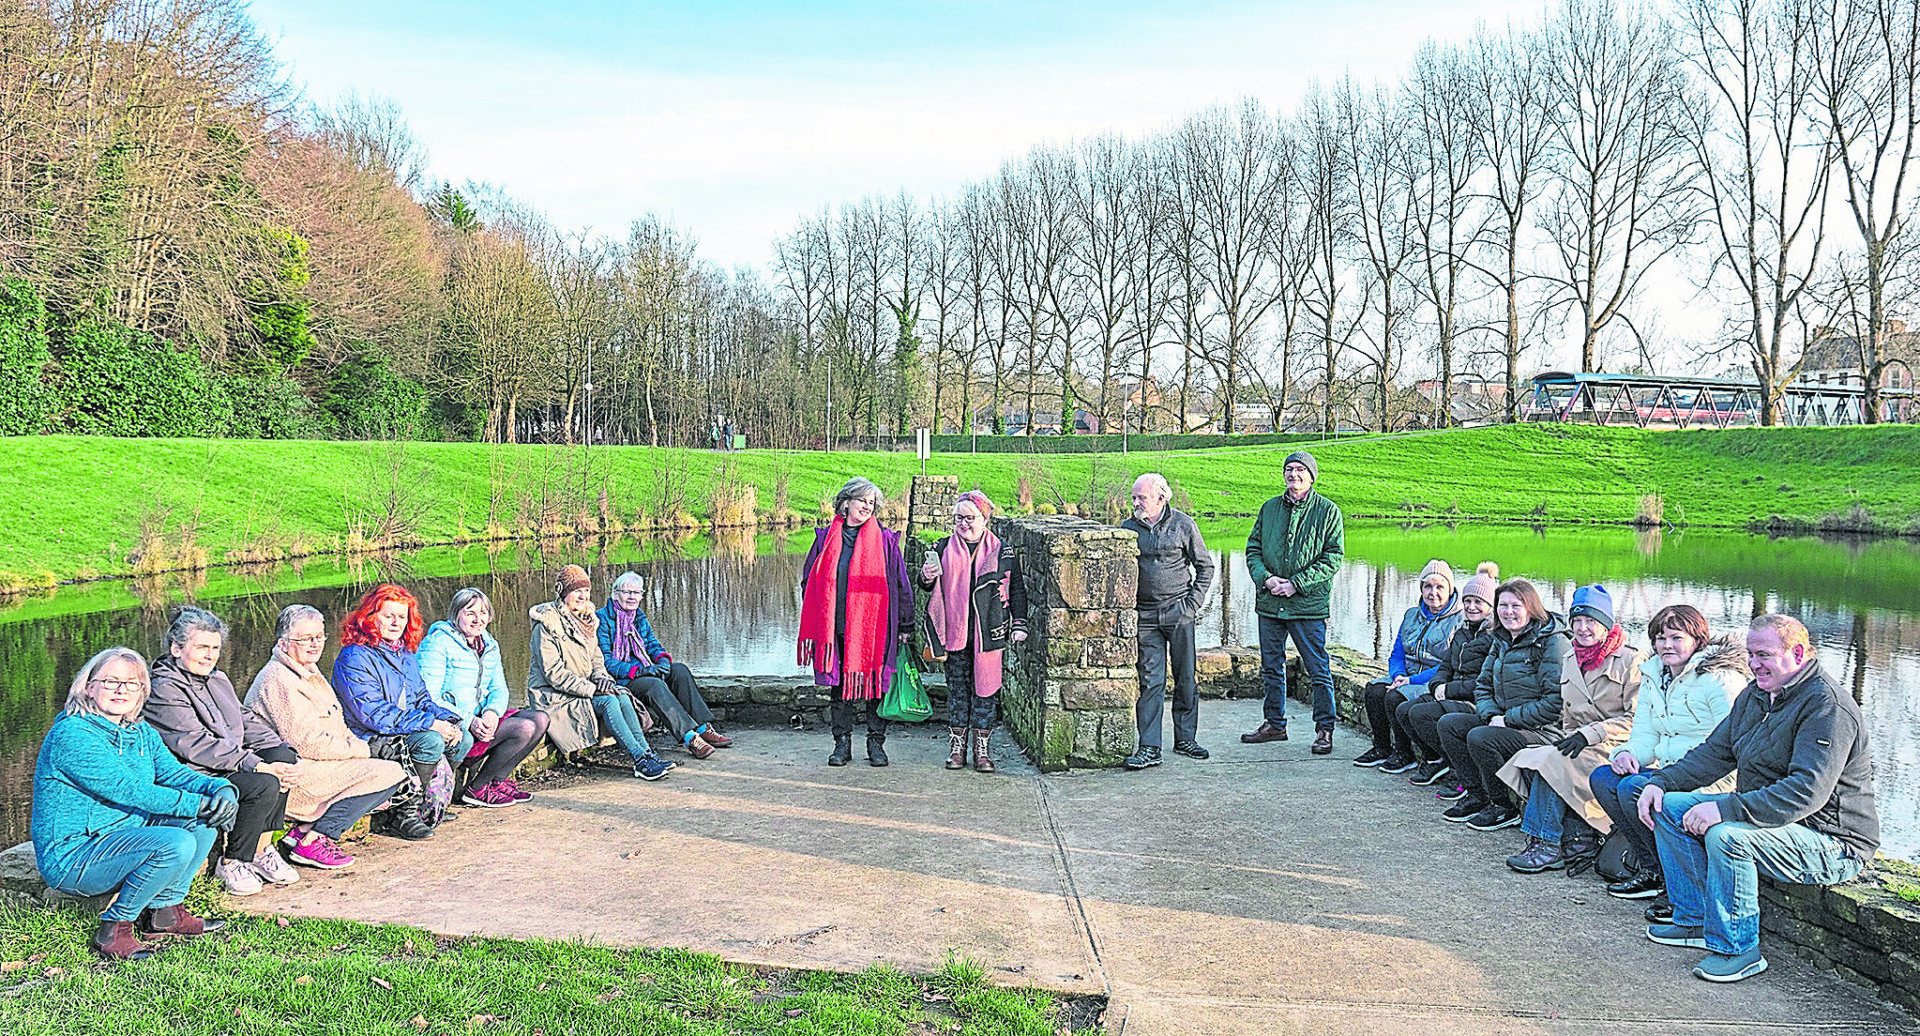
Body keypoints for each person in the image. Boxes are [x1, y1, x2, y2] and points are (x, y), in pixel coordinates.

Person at [1637, 614, 1878, 983]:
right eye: (1750, 654)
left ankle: (1740, 950)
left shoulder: (1827, 706)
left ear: (1797, 654)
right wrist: (1662, 781)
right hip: (1779, 824)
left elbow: (1807, 791)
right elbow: (1716, 753)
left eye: (1763, 655)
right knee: (1669, 807)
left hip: (1832, 840)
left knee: (1728, 836)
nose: (1753, 664)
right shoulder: (1757, 695)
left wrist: (1727, 808)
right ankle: (1694, 920)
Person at [32, 647, 235, 960]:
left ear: (142, 691)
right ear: (89, 687)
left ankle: (165, 912)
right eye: (111, 681)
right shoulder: (72, 734)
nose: (121, 690)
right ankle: (114, 929)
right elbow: (129, 791)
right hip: (75, 855)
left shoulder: (140, 731)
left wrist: (220, 788)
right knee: (176, 842)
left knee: (204, 823)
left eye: (131, 683)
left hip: (123, 836)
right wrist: (199, 804)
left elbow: (175, 775)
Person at [1588, 604, 1747, 902]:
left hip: (1714, 779)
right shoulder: (1654, 676)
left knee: (1634, 788)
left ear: (1697, 640)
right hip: (1671, 772)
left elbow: (1735, 746)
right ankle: (1653, 871)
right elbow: (1646, 737)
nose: (1666, 645)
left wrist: (1671, 779)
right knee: (1604, 778)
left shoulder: (1721, 680)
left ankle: (1675, 880)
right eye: (1660, 638)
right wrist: (1627, 754)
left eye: (1676, 638)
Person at [143, 606, 305, 897]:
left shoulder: (217, 679)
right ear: (177, 649)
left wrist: (285, 751)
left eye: (215, 648)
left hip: (226, 763)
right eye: (202, 647)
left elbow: (245, 720)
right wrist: (255, 764)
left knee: (283, 761)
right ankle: (233, 861)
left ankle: (261, 850)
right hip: (194, 773)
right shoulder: (164, 689)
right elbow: (196, 743)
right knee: (263, 782)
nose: (210, 655)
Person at [245, 605, 416, 867]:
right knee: (389, 773)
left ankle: (303, 831)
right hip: (291, 774)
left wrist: (360, 749)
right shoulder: (278, 679)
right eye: (305, 639)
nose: (315, 644)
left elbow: (337, 727)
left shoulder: (308, 671)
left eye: (319, 636)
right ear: (283, 643)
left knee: (392, 770)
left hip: (318, 762)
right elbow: (307, 743)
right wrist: (364, 750)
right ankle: (315, 840)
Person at [1497, 585, 1643, 873]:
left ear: (1606, 625)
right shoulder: (1570, 657)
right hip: (1579, 743)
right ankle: (1573, 839)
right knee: (1528, 758)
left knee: (1552, 762)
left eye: (1591, 621)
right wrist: (1570, 738)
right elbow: (1570, 716)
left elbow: (1637, 719)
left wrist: (1589, 735)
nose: (1583, 628)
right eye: (1577, 621)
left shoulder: (1631, 660)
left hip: (1618, 747)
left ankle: (1546, 843)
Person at [798, 477, 915, 767]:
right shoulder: (825, 539)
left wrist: (905, 625)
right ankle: (842, 744)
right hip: (835, 628)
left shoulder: (885, 541)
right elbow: (808, 580)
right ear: (846, 502)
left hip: (875, 628)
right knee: (839, 689)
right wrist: (820, 614)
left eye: (871, 502)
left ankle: (876, 744)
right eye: (862, 500)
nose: (867, 506)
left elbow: (901, 584)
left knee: (876, 686)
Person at [1435, 578, 1569, 830]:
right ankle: (1477, 795)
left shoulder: (1552, 642)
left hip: (1543, 730)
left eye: (1516, 605)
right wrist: (1491, 715)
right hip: (1504, 720)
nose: (1508, 612)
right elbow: (1483, 685)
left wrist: (1507, 720)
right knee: (1450, 724)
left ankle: (1503, 807)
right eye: (1503, 605)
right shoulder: (1502, 638)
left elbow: (1555, 704)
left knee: (1481, 737)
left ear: (1531, 608)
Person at [333, 583, 464, 837]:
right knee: (429, 741)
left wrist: (450, 721)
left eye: (402, 617)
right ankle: (402, 815)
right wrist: (430, 723)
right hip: (368, 736)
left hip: (400, 727)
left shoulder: (404, 653)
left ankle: (429, 804)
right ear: (370, 617)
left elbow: (422, 699)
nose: (396, 623)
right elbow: (374, 714)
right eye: (388, 616)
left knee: (462, 737)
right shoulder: (354, 657)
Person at [1241, 451, 1345, 756]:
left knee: (1318, 669)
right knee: (1271, 667)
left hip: (1307, 605)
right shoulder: (1269, 508)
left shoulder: (1328, 511)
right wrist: (1266, 579)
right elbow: (1253, 549)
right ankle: (1275, 724)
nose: (1294, 474)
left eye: (1300, 470)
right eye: (1289, 469)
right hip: (1270, 602)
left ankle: (1324, 729)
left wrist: (1296, 583)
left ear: (1311, 477)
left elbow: (1333, 557)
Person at [529, 565, 674, 781]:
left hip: (580, 689)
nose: (583, 596)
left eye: (586, 590)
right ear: (563, 592)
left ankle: (646, 754)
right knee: (608, 702)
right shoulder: (546, 625)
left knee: (621, 695)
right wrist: (592, 689)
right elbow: (554, 674)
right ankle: (639, 760)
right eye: (576, 591)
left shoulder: (586, 620)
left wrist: (602, 678)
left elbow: (597, 659)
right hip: (554, 696)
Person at [919, 489, 1028, 772]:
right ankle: (957, 750)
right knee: (957, 693)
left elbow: (1016, 588)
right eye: (959, 518)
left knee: (985, 693)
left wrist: (1019, 624)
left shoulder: (1002, 551)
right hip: (954, 632)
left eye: (969, 518)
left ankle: (982, 752)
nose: (963, 523)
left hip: (988, 633)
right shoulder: (942, 547)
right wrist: (926, 577)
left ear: (984, 518)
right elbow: (926, 586)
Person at [420, 587, 552, 806]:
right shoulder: (437, 643)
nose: (477, 619)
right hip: (457, 724)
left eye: (483, 613)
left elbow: (499, 688)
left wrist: (492, 712)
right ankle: (477, 789)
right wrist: (469, 721)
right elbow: (429, 698)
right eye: (470, 613)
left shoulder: (489, 644)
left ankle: (497, 782)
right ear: (455, 614)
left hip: (481, 719)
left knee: (541, 719)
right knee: (524, 728)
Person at [1121, 472, 1216, 770]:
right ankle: (1150, 747)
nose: (1136, 503)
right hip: (1145, 615)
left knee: (1185, 676)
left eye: (1142, 498)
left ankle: (1186, 738)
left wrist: (1192, 604)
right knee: (1151, 680)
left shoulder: (1183, 525)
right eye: (1134, 498)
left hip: (1178, 611)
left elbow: (1205, 567)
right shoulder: (1127, 529)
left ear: (1161, 498)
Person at [596, 572, 733, 760]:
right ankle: (690, 737)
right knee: (655, 684)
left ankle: (703, 727)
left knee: (679, 671)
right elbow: (605, 661)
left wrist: (662, 660)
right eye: (627, 592)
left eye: (637, 593)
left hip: (645, 670)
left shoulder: (638, 617)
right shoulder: (602, 619)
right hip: (622, 680)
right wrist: (640, 670)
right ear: (615, 594)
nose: (632, 597)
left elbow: (653, 645)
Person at [1356, 560, 1463, 772]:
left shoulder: (1459, 620)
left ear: (1450, 590)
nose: (1433, 592)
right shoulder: (1412, 615)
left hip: (1433, 680)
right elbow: (1397, 653)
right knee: (1375, 690)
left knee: (1395, 697)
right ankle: (1381, 748)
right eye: (1427, 586)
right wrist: (1398, 675)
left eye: (1440, 587)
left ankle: (1404, 754)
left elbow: (1448, 664)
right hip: (1406, 675)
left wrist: (1410, 681)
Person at [1402, 563, 1501, 788]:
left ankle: (1461, 770)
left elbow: (1485, 682)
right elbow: (1445, 666)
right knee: (1404, 710)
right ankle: (1439, 760)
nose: (1471, 607)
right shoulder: (1463, 632)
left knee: (1421, 714)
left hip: (1473, 700)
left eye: (1478, 602)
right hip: (1451, 694)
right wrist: (1438, 685)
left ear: (1491, 606)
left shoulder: (1494, 637)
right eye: (1468, 601)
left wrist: (1449, 690)